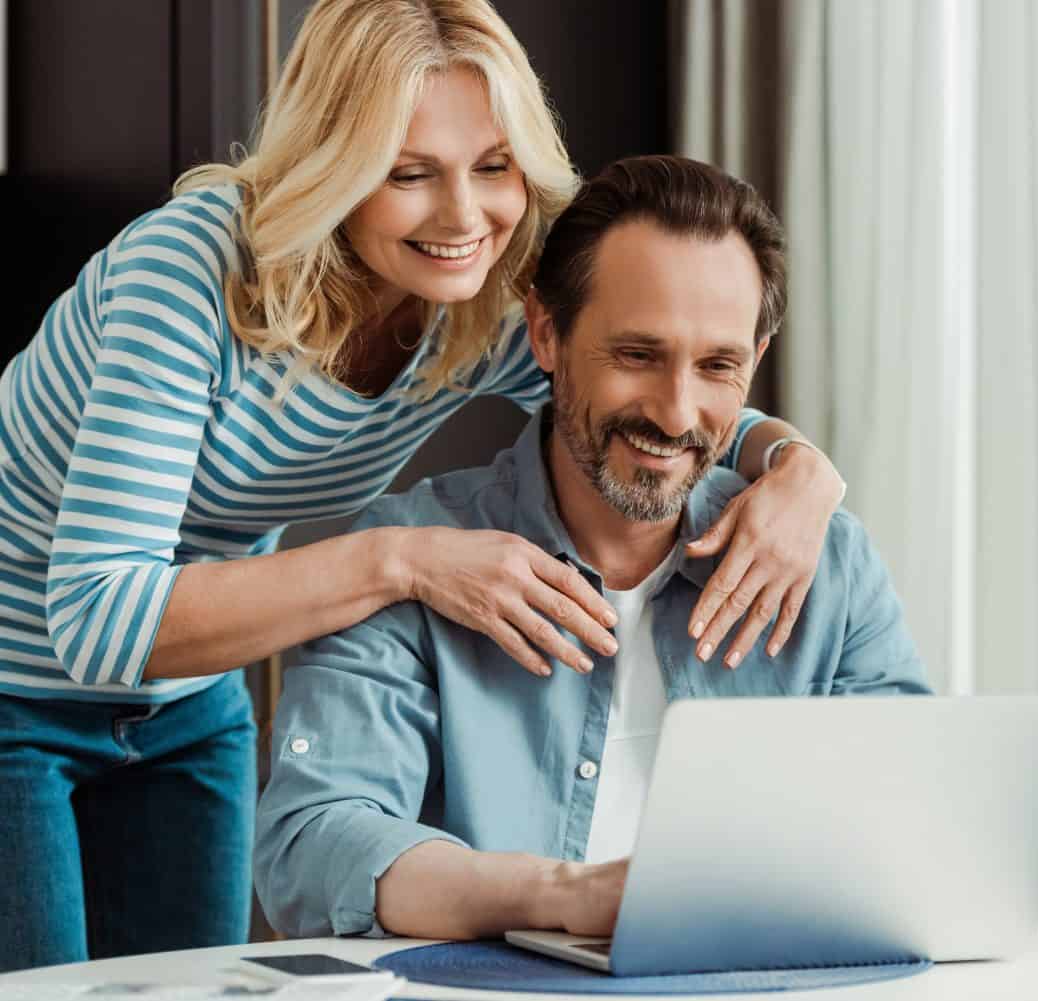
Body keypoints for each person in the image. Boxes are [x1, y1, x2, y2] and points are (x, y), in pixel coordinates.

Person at [0, 0, 847, 972]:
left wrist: (800, 470)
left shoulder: (478, 300)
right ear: (334, 165)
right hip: (14, 685)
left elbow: (649, 405)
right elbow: (99, 619)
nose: (464, 216)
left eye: (494, 167)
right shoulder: (187, 275)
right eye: (410, 173)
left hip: (190, 696)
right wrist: (401, 558)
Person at [253, 155, 930, 940]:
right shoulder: (408, 558)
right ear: (546, 332)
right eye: (637, 356)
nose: (676, 415)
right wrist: (556, 894)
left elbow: (913, 828)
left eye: (718, 365)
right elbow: (313, 846)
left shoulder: (827, 561)